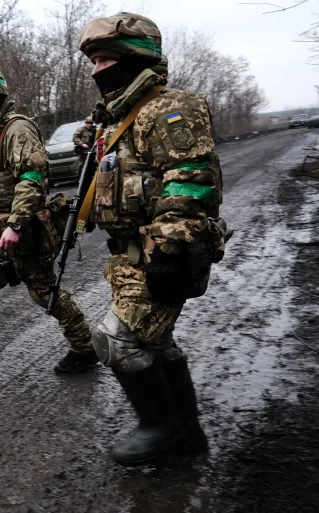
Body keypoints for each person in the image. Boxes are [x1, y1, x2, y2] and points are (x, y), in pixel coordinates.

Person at [79, 13, 230, 464]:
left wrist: (170, 247)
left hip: (161, 252)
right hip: (128, 257)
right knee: (155, 341)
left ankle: (160, 426)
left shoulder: (167, 109)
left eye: (104, 59)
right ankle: (188, 436)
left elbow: (191, 178)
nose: (95, 70)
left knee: (118, 339)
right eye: (93, 61)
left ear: (134, 58)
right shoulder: (116, 122)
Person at [0, 65, 100, 374]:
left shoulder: (15, 129)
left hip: (23, 229)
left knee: (43, 291)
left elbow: (32, 177)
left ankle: (85, 347)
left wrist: (15, 224)